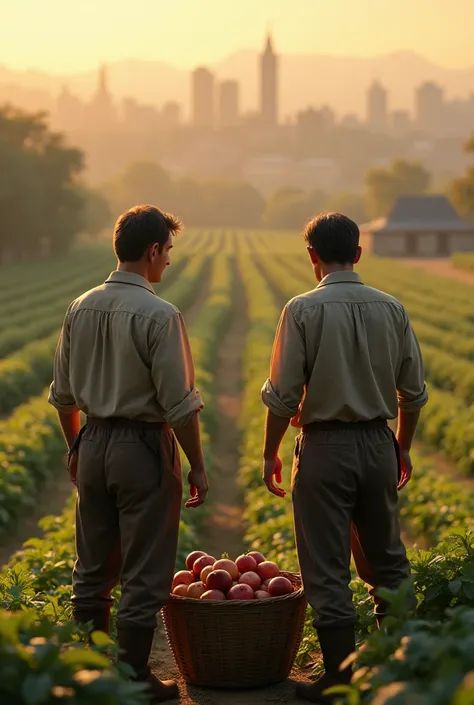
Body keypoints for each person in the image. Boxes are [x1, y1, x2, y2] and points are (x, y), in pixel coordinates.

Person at [261, 213, 428, 704]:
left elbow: (282, 398)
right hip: (378, 443)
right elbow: (413, 393)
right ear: (359, 254)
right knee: (388, 561)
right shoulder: (392, 309)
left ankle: (338, 677)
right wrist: (402, 445)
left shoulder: (301, 310)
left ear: (312, 257)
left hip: (324, 449)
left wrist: (270, 451)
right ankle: (401, 669)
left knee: (326, 567)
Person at [48, 204, 209, 703]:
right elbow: (179, 406)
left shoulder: (80, 306)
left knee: (92, 567)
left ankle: (88, 673)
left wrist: (76, 444)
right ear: (152, 250)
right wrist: (197, 463)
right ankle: (134, 676)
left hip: (93, 441)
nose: (168, 262)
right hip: (143, 445)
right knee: (144, 567)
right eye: (167, 252)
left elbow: (63, 394)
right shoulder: (161, 315)